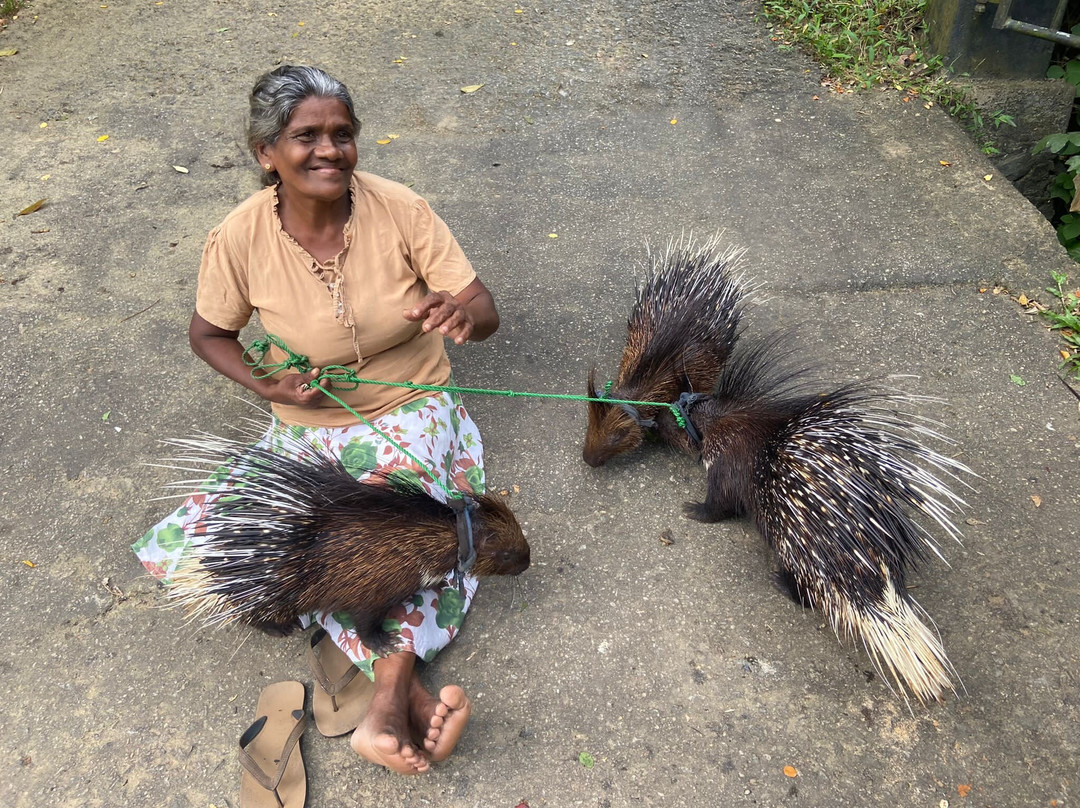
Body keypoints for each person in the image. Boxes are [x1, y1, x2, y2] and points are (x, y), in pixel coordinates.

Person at [132, 64, 500, 776]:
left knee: (414, 530)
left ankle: (389, 698)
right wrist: (265, 379)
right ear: (265, 152)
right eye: (307, 136)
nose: (329, 149)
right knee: (206, 552)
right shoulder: (238, 237)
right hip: (309, 424)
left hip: (410, 408)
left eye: (343, 134)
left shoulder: (401, 210)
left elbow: (483, 308)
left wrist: (463, 315)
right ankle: (390, 676)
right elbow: (208, 334)